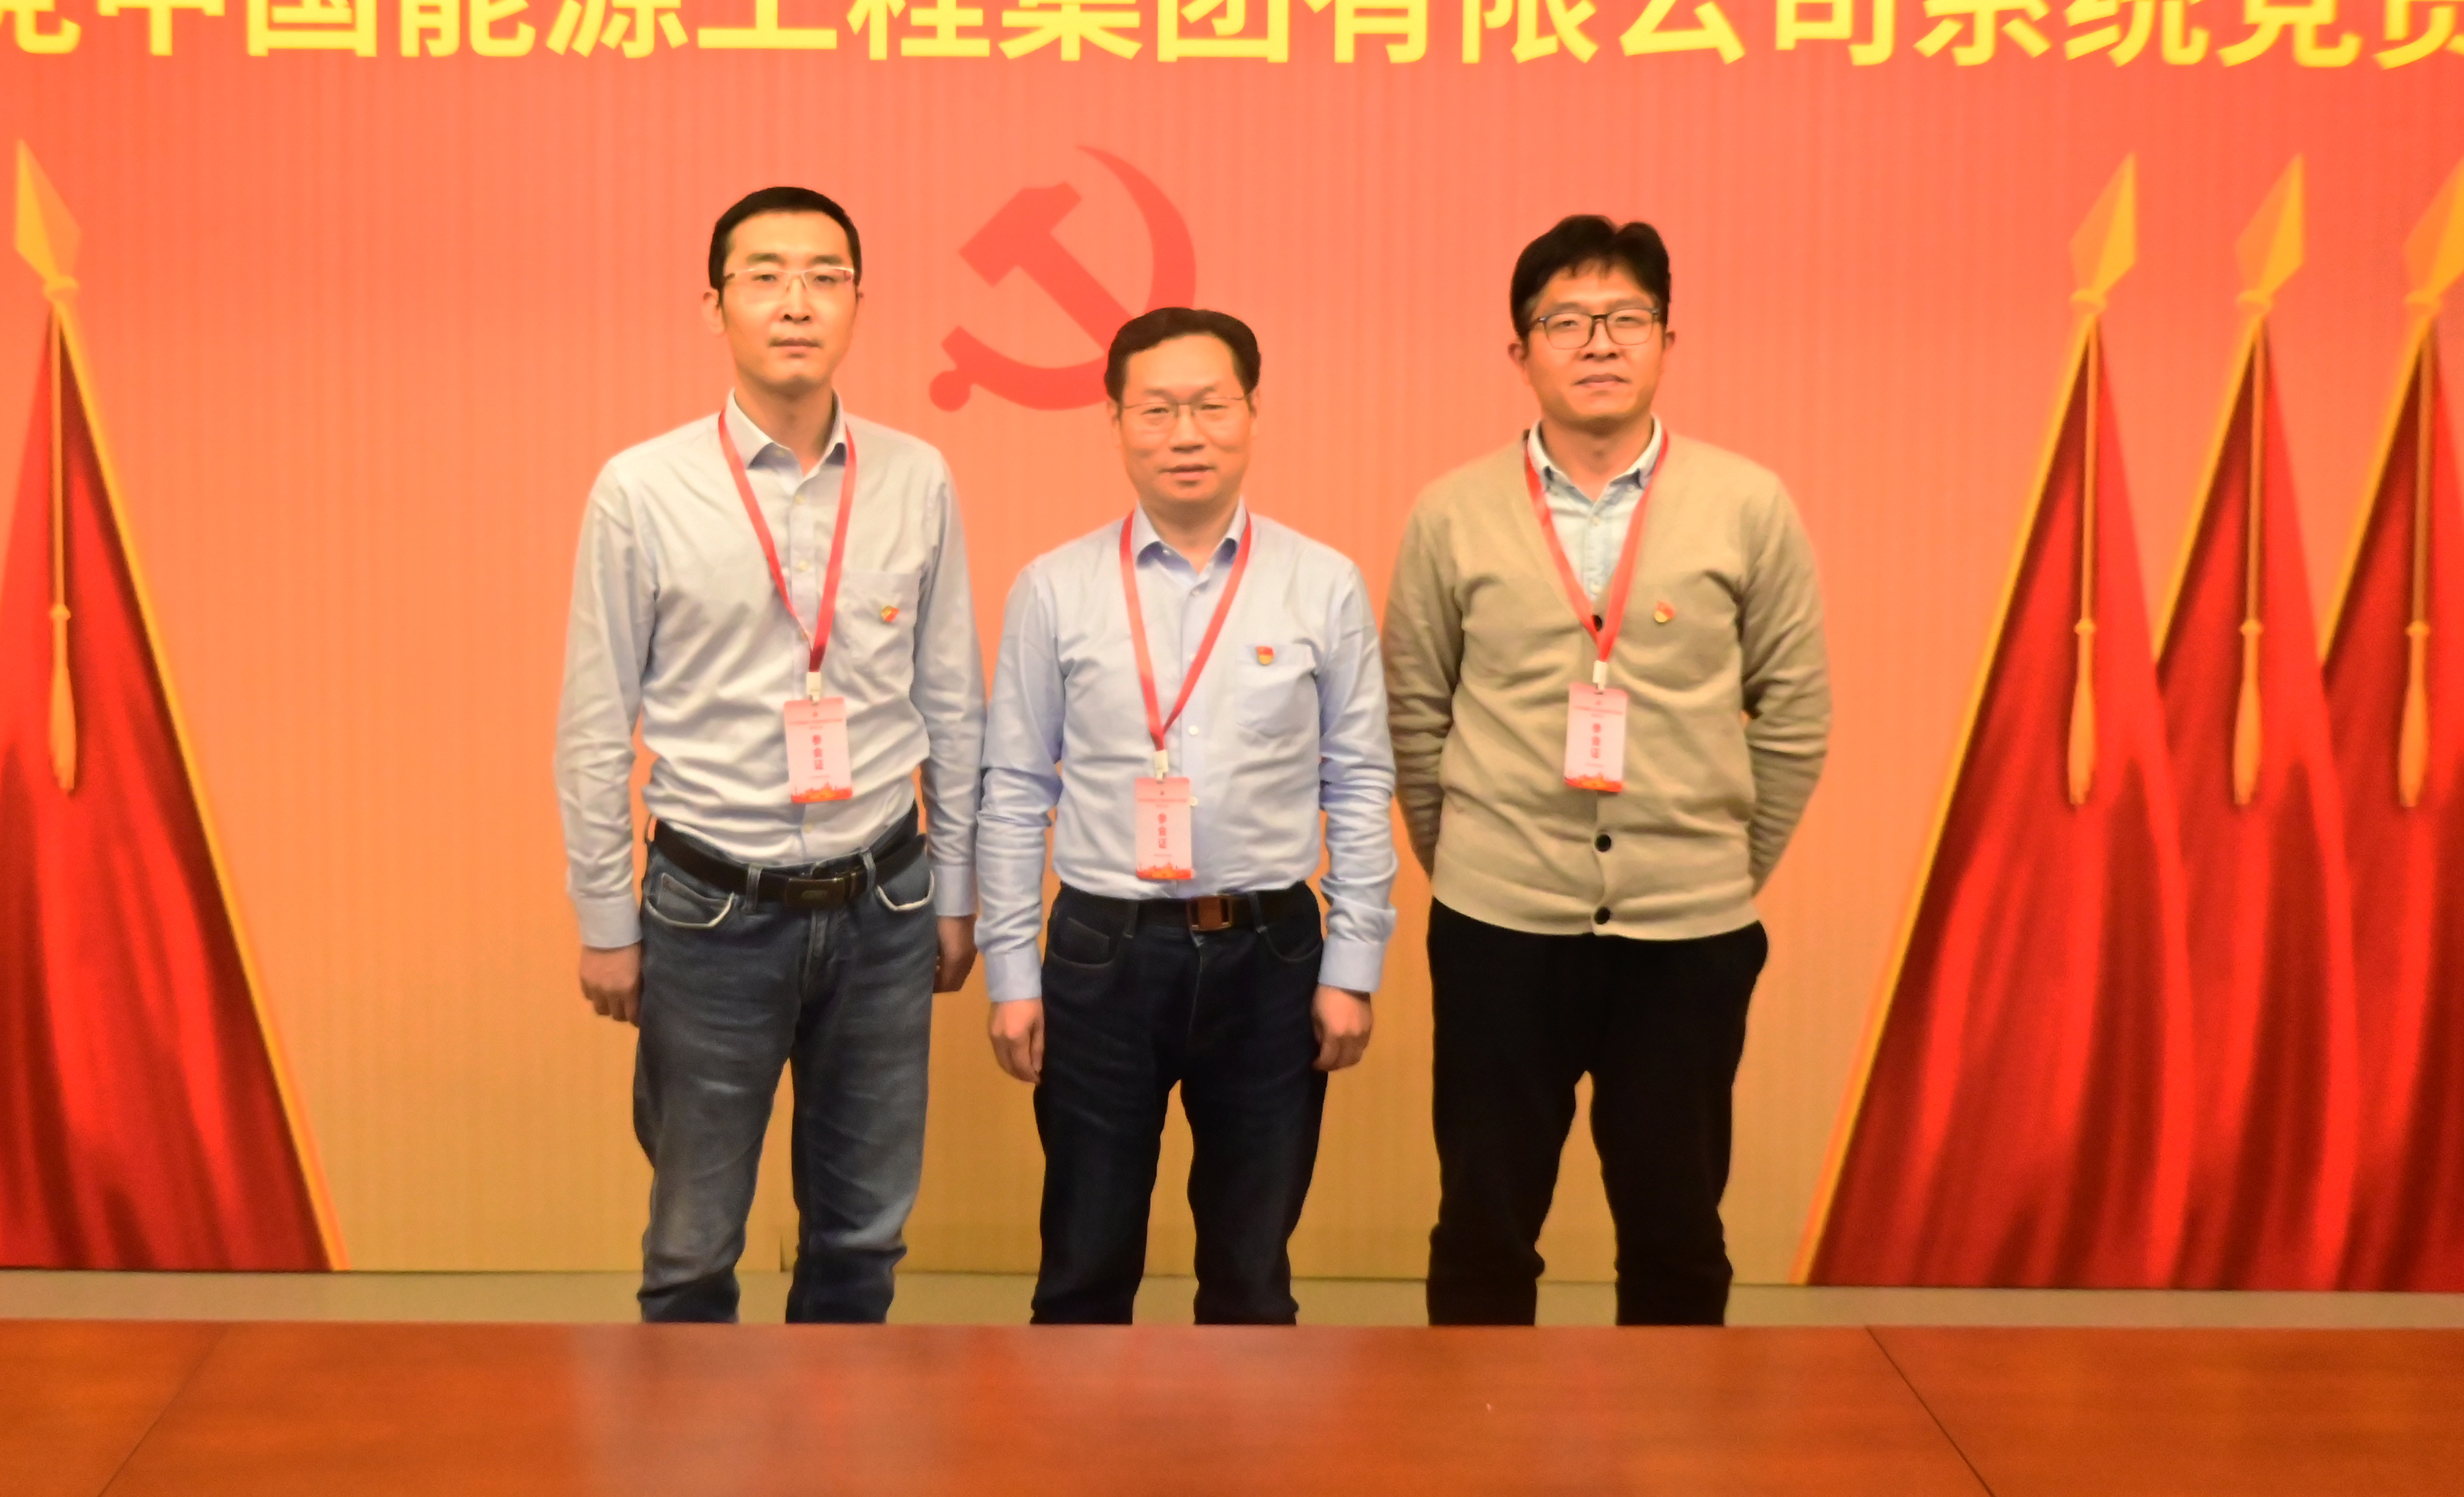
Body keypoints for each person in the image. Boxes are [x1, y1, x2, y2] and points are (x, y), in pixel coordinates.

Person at [1383, 215, 1828, 1327]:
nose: (1597, 341)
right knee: (1484, 1225)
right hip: (1498, 927)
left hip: (1688, 933)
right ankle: (1475, 1425)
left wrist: (1715, 861)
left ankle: (1675, 1431)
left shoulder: (1747, 502)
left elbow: (1794, 713)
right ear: (1519, 350)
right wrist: (1476, 860)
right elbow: (1413, 714)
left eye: (1626, 318)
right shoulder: (1450, 510)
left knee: (1676, 1228)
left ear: (1668, 340)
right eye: (1566, 320)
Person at [555, 185, 983, 1323]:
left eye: (824, 277)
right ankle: (693, 1431)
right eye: (764, 276)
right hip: (708, 911)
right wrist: (606, 918)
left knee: (862, 1232)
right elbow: (594, 721)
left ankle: (834, 1429)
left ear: (857, 303)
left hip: (886, 902)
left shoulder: (916, 476)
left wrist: (958, 896)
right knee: (693, 1241)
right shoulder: (642, 488)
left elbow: (953, 703)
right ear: (715, 306)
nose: (796, 302)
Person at [977, 306, 1397, 1326]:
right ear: (1115, 421)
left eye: (1210, 405)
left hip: (1270, 953)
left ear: (1252, 413)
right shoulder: (1054, 587)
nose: (1185, 433)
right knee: (1083, 1263)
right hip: (1101, 954)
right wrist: (1011, 972)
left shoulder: (1322, 582)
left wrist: (1352, 965)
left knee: (1251, 1273)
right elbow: (1015, 789)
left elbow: (1357, 780)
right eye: (1156, 408)